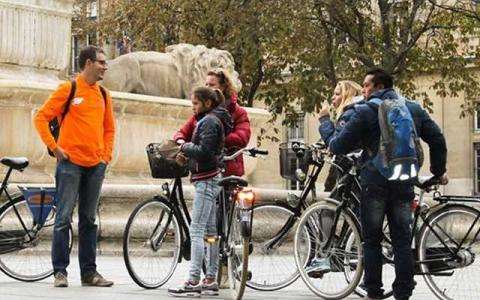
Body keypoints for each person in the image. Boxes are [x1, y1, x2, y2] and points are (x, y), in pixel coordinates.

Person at [329, 68, 448, 300]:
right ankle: (403, 292)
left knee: (371, 240)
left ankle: (374, 291)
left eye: (366, 85)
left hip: (374, 182)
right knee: (402, 239)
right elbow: (437, 138)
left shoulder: (364, 111)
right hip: (404, 181)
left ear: (379, 87)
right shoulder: (412, 108)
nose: (363, 90)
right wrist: (437, 171)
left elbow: (338, 146)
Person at [34, 46, 115, 288]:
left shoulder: (104, 94)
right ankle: (60, 273)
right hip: (70, 164)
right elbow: (40, 117)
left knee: (89, 220)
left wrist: (105, 156)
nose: (105, 66)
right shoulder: (68, 89)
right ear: (88, 63)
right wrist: (55, 147)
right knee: (63, 219)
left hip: (95, 165)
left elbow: (109, 128)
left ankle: (89, 273)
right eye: (101, 62)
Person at [168, 87, 233, 297]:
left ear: (207, 103)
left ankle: (193, 279)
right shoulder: (213, 120)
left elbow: (205, 152)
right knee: (210, 234)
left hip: (206, 181)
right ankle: (211, 279)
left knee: (196, 230)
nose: (193, 108)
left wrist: (184, 147)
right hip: (212, 178)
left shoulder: (209, 121)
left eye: (195, 104)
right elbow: (209, 150)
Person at [174, 69, 251, 176]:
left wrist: (214, 138)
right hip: (206, 168)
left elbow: (242, 138)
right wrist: (181, 141)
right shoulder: (202, 111)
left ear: (223, 87)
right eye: (206, 84)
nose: (207, 88)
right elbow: (182, 132)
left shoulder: (238, 112)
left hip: (228, 167)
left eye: (212, 85)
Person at [318, 80, 363, 191]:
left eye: (337, 94)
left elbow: (335, 143)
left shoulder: (349, 114)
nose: (333, 97)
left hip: (350, 167)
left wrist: (324, 120)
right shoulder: (354, 112)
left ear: (348, 96)